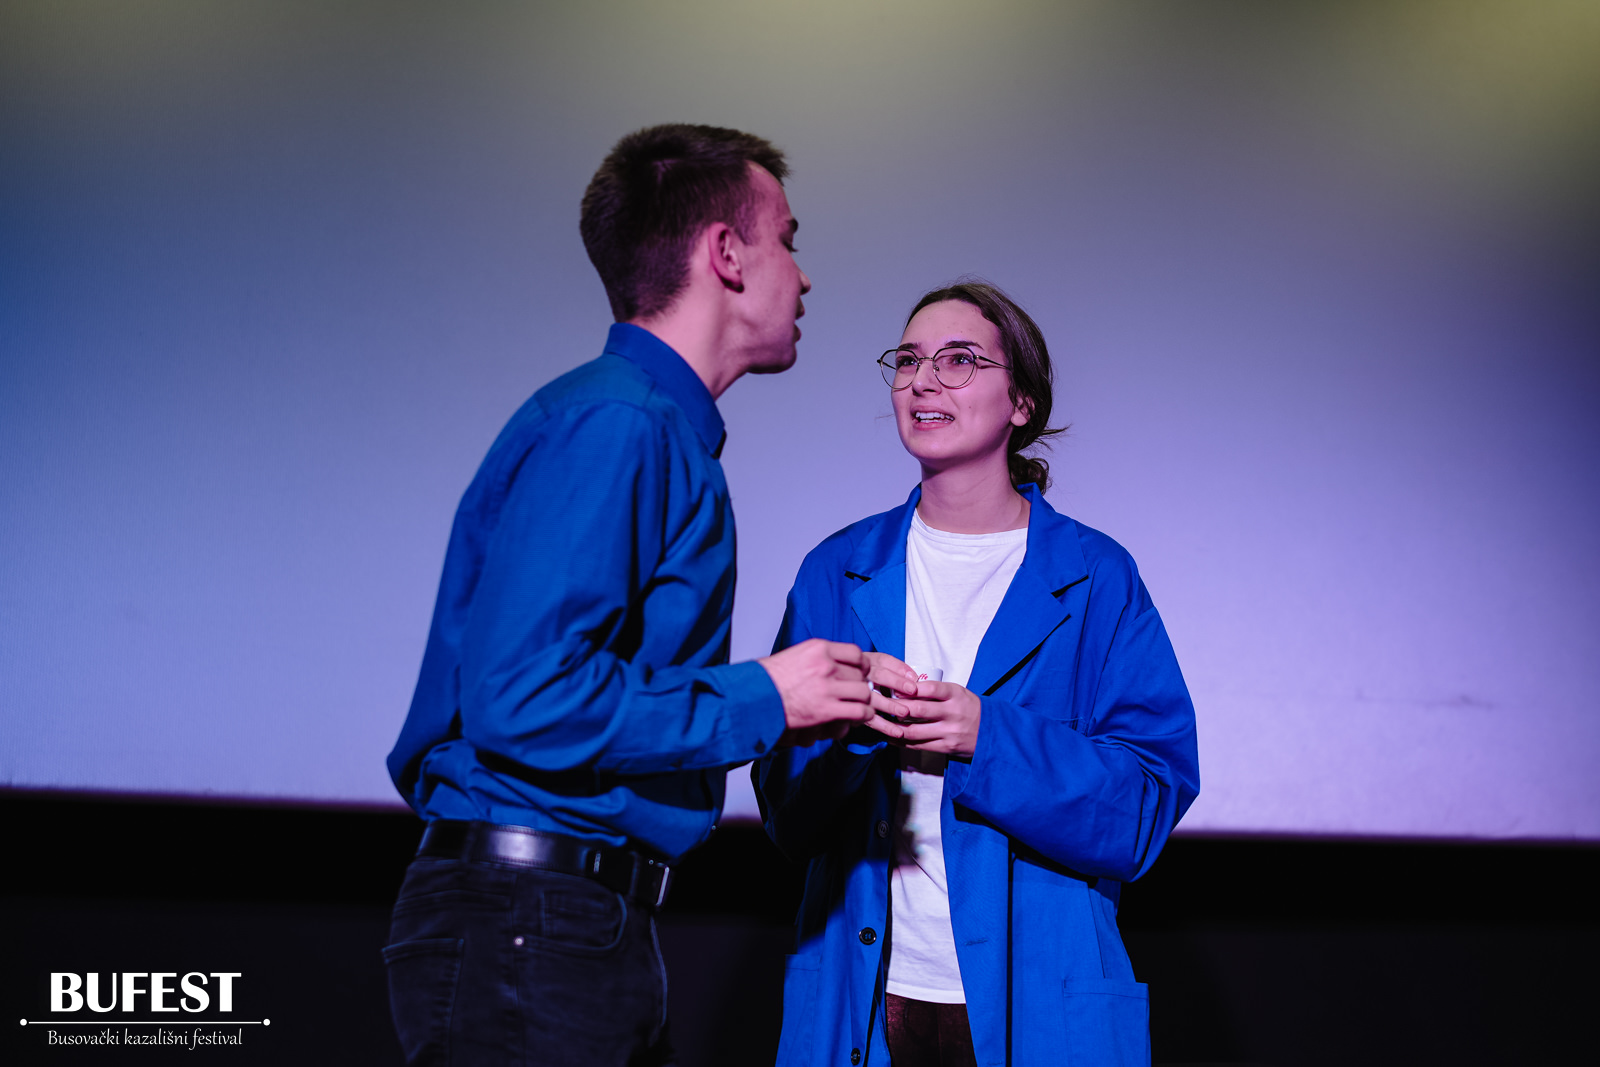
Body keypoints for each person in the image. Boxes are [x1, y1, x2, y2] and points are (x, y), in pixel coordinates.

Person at [383, 124, 910, 1067]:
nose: (804, 275)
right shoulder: (618, 423)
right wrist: (763, 695)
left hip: (566, 921)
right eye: (788, 239)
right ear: (726, 254)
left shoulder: (646, 424)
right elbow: (523, 693)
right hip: (531, 922)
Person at [755, 280, 1200, 1067]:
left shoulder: (1096, 576)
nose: (923, 381)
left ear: (1021, 402)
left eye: (958, 360)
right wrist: (852, 736)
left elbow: (1144, 805)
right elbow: (786, 813)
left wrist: (986, 738)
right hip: (866, 999)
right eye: (908, 360)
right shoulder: (835, 569)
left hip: (1039, 1004)